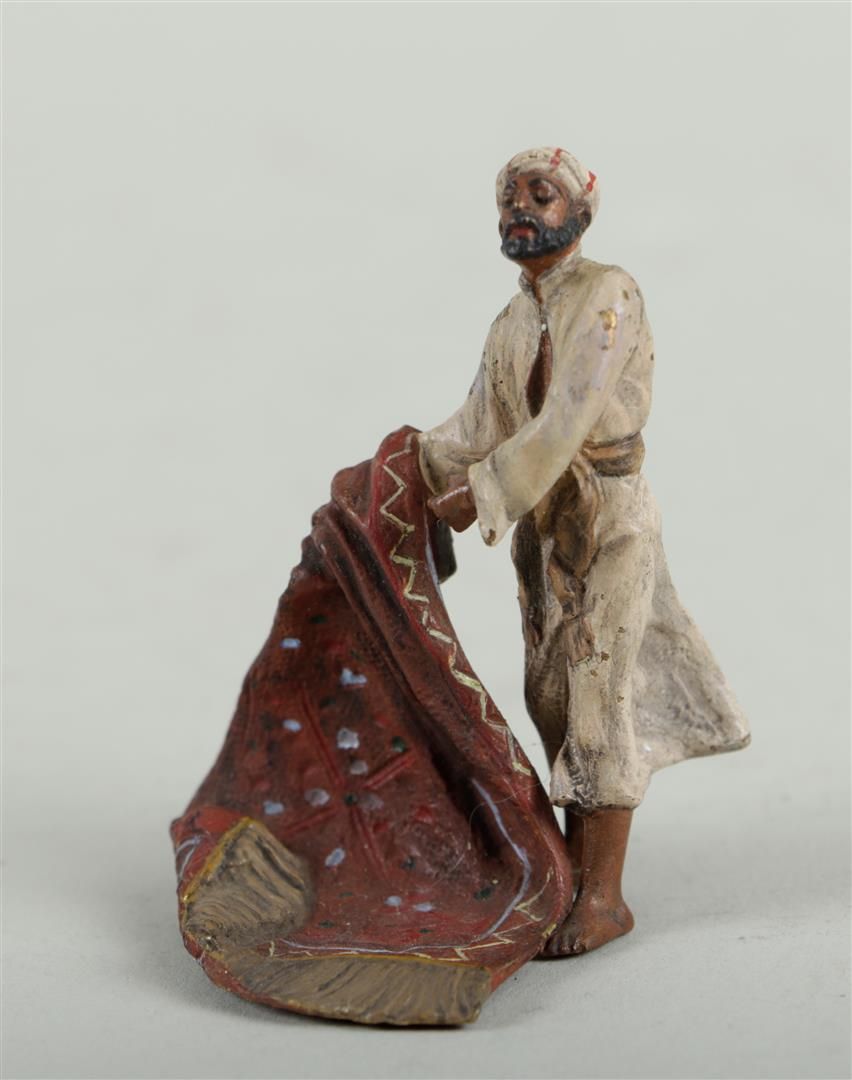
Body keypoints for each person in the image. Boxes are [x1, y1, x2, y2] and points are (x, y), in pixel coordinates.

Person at [418, 147, 750, 956]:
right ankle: (571, 874)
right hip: (544, 530)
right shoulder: (509, 323)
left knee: (599, 690)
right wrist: (406, 467)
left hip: (609, 521)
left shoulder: (610, 294)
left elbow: (567, 417)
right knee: (553, 696)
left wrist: (482, 492)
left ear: (581, 213)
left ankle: (604, 898)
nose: (519, 210)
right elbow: (477, 425)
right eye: (508, 197)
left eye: (540, 195)